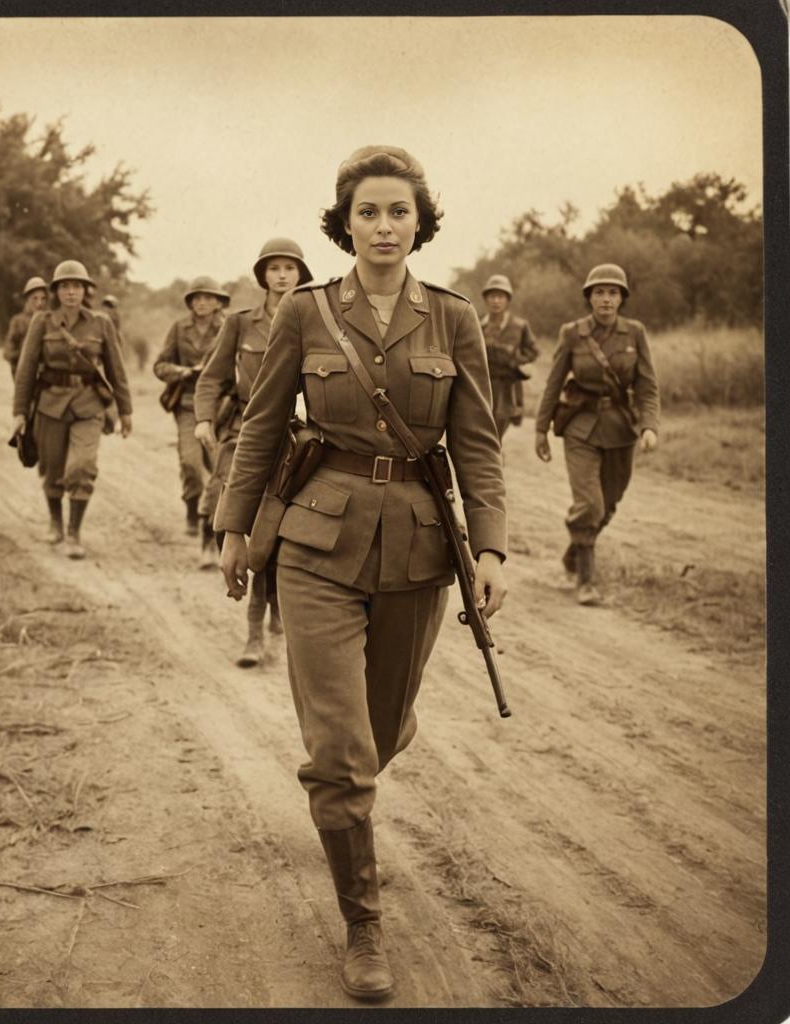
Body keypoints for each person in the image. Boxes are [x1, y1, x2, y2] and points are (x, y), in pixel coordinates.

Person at [216, 146, 507, 1001]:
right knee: (342, 758)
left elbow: (479, 443)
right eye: (368, 213)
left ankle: (359, 774)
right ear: (344, 223)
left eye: (399, 212)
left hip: (419, 547)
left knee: (378, 734)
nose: (383, 227)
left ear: (421, 222)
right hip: (315, 544)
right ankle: (364, 921)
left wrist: (489, 547)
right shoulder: (305, 314)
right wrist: (235, 529)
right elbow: (263, 424)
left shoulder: (455, 318)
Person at [195, 238, 312, 661]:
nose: (282, 275)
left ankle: (277, 608)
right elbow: (211, 378)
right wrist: (205, 419)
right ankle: (254, 634)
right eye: (274, 267)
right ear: (262, 274)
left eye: (290, 268)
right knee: (245, 529)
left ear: (300, 275)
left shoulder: (316, 320)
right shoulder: (241, 323)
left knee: (285, 531)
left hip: (299, 442)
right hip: (246, 433)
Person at [534, 263, 660, 605]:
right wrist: (541, 429)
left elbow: (647, 385)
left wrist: (649, 425)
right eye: (599, 292)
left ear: (622, 298)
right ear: (589, 297)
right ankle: (586, 581)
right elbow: (554, 383)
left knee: (609, 504)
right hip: (581, 427)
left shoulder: (635, 333)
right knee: (590, 503)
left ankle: (573, 553)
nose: (606, 299)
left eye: (613, 292)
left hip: (621, 428)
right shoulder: (572, 333)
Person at [12, 260, 132, 560]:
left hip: (88, 405)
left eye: (76, 286)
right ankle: (55, 521)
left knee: (82, 467)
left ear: (86, 290)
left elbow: (117, 370)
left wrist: (125, 411)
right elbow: (26, 370)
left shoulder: (101, 323)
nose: (70, 292)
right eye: (64, 286)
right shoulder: (42, 321)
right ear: (55, 291)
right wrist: (19, 412)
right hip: (50, 404)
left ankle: (74, 532)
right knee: (52, 469)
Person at [153, 276, 230, 539]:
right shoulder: (178, 328)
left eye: (208, 297)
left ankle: (211, 524)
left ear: (219, 302)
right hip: (187, 405)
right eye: (197, 298)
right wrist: (183, 372)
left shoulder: (228, 327)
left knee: (220, 468)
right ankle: (191, 509)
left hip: (221, 408)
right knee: (191, 465)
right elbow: (160, 366)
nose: (202, 303)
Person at [479, 274, 538, 438]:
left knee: (497, 432)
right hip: (481, 385)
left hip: (507, 388)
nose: (496, 301)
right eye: (492, 296)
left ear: (507, 300)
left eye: (500, 296)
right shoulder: (477, 324)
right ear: (486, 299)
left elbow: (533, 351)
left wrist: (516, 359)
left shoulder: (519, 326)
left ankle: (494, 459)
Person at [4, 277, 49, 380]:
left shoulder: (50, 320)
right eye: (35, 298)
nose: (39, 303)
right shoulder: (18, 321)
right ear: (27, 299)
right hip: (23, 374)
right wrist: (27, 354)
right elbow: (7, 352)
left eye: (43, 298)